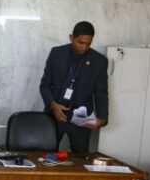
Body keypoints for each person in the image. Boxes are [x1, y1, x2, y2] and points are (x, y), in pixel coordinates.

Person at [39, 21, 108, 153]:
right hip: (54, 115)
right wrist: (52, 104)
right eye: (80, 42)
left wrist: (103, 119)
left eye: (88, 44)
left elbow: (101, 92)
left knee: (80, 158)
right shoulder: (56, 53)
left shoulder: (99, 61)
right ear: (71, 37)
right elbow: (45, 85)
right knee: (46, 155)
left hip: (82, 119)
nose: (84, 47)